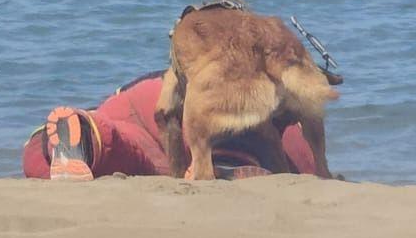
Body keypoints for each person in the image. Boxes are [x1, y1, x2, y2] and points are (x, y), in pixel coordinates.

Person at [21, 71, 327, 181]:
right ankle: (231, 164)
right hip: (229, 105)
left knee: (126, 145)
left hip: (148, 97)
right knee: (256, 143)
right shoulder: (297, 131)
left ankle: (86, 133)